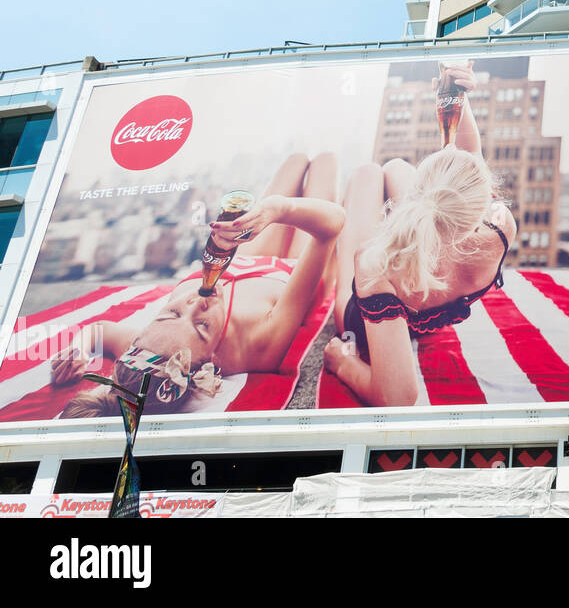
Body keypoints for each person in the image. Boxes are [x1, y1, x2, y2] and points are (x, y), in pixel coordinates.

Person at [51, 153, 344, 417]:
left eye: (172, 313)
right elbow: (331, 225)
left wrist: (78, 349)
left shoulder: (152, 348)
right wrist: (278, 210)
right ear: (210, 362)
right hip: (289, 275)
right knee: (325, 164)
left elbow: (98, 330)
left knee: (294, 162)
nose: (196, 303)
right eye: (203, 327)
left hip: (243, 265)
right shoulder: (258, 346)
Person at [324, 64, 517, 407]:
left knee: (367, 174)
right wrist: (459, 98)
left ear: (420, 195)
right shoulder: (500, 226)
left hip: (361, 323)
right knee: (396, 167)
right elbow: (470, 159)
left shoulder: (375, 265)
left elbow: (397, 397)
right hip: (417, 289)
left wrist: (343, 363)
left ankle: (373, 180)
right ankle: (400, 178)